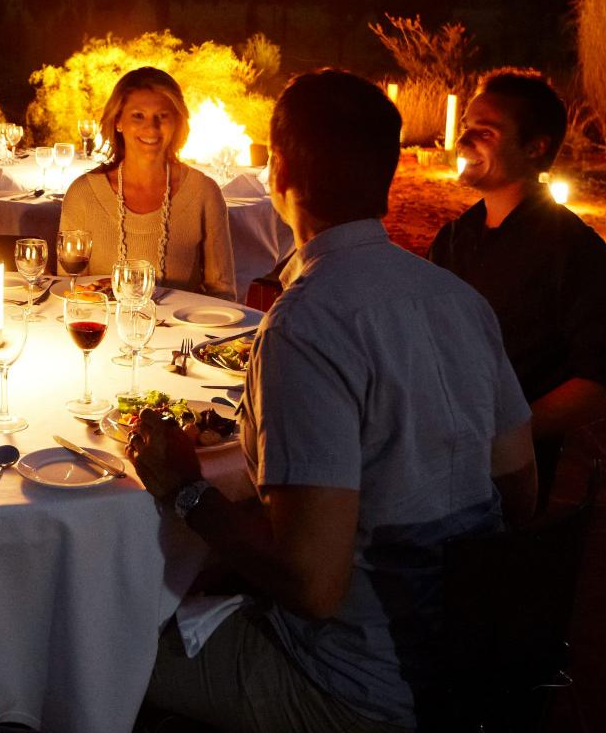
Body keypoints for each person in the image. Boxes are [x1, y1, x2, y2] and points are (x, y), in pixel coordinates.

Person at [128, 69, 537, 732]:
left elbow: (312, 586)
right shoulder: (458, 300)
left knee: (96, 646)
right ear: (389, 176)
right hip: (469, 661)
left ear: (278, 171)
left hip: (360, 689)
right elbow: (519, 492)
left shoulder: (305, 325)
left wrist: (185, 488)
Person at [428, 70, 606, 506]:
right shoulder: (453, 238)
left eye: (485, 132)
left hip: (505, 479)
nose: (464, 142)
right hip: (427, 451)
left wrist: (503, 433)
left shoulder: (576, 254)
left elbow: (604, 386)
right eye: (467, 128)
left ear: (535, 147)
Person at [58, 67, 235, 298]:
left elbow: (223, 294)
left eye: (162, 116)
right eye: (138, 115)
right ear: (118, 121)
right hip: (103, 331)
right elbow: (69, 289)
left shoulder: (204, 193)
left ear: (177, 123)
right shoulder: (82, 194)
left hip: (181, 334)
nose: (151, 128)